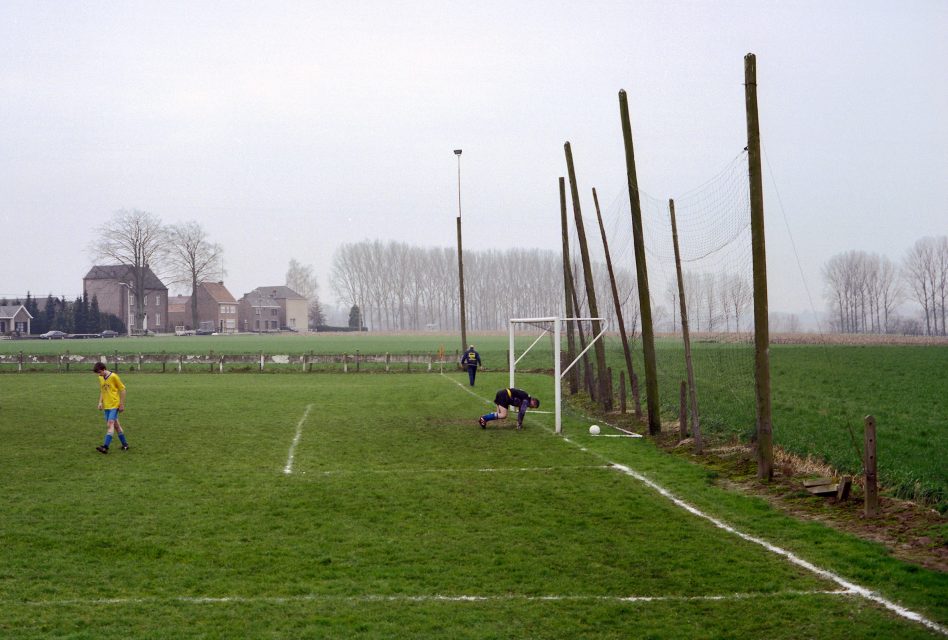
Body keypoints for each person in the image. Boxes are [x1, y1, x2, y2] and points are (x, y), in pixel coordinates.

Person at [93, 362, 129, 454]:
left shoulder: (114, 377)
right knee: (116, 426)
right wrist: (100, 402)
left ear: (104, 369)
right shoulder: (101, 378)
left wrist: (121, 404)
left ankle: (105, 447)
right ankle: (125, 445)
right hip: (107, 406)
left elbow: (123, 390)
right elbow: (102, 390)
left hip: (114, 404)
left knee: (110, 424)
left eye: (99, 372)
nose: (98, 374)